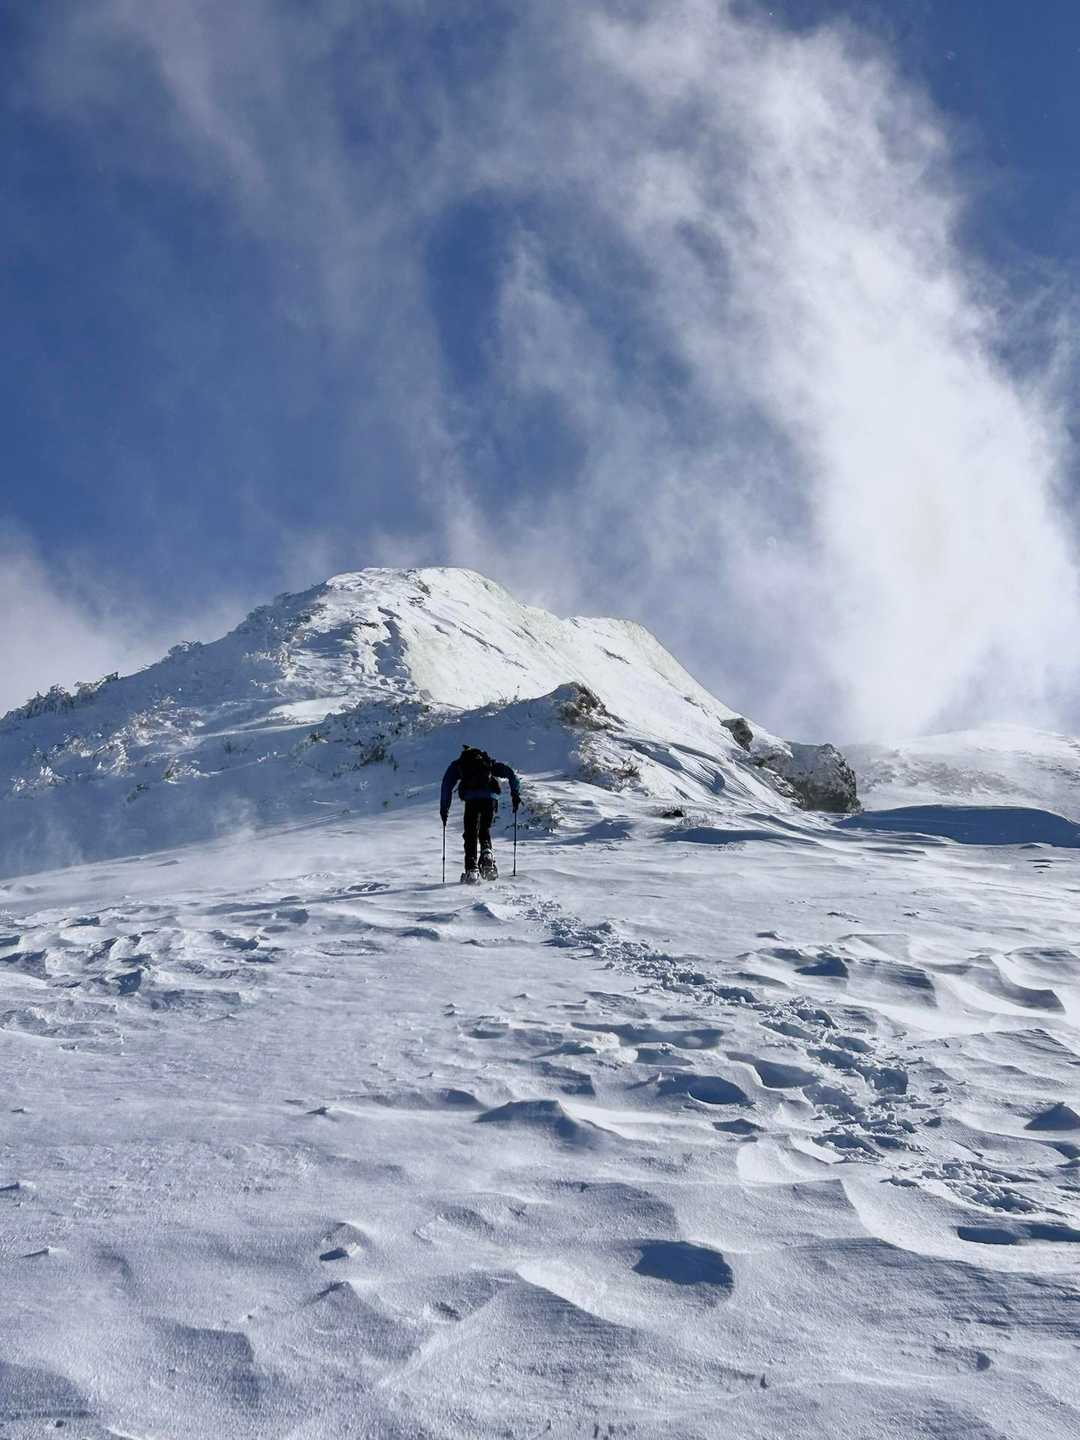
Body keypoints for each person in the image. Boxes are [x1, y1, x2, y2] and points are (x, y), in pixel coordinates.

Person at [440, 745, 521, 883]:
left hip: (471, 801)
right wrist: (515, 793)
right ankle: (487, 854)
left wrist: (444, 809)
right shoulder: (487, 762)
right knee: (484, 829)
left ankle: (472, 870)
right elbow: (509, 773)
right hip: (490, 799)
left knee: (470, 834)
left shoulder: (459, 764)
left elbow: (446, 785)